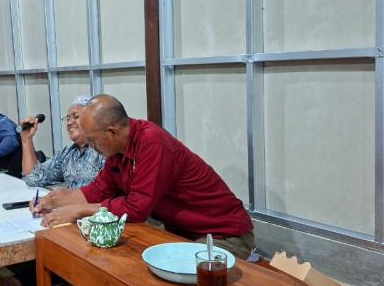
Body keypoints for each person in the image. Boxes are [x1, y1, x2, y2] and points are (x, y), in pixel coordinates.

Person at [33, 95, 254, 259]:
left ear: (112, 132)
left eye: (92, 140)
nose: (91, 147)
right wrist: (53, 202)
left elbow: (137, 208)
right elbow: (99, 190)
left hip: (222, 234)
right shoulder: (116, 151)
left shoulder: (152, 143)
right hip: (182, 233)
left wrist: (79, 211)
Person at [20, 96, 104, 189]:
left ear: (93, 120)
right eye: (68, 118)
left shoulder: (105, 151)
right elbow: (33, 178)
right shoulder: (67, 154)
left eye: (76, 116)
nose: (69, 123)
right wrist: (26, 139)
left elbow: (106, 192)